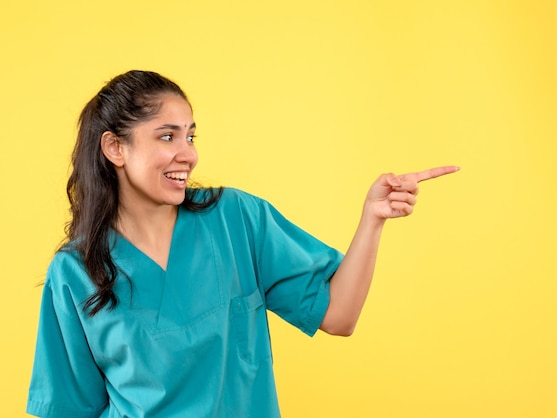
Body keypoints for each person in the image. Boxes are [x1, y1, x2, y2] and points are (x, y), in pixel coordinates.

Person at [26, 70, 459, 418]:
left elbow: (338, 316)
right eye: (167, 136)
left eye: (190, 136)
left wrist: (372, 220)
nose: (188, 154)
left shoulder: (236, 219)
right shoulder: (76, 271)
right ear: (115, 148)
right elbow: (69, 407)